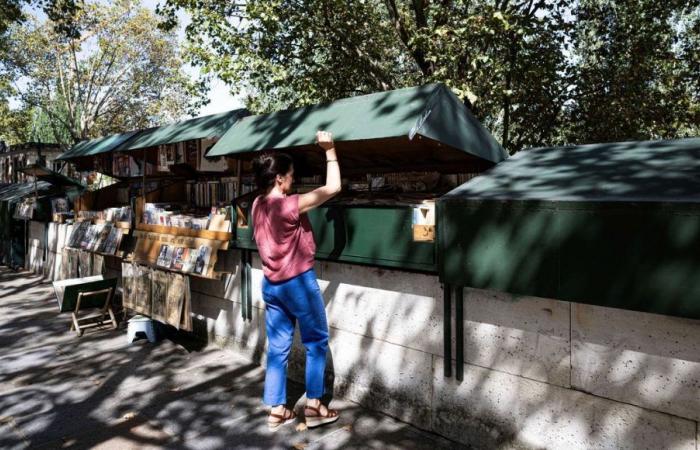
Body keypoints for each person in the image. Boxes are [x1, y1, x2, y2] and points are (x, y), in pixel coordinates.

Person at [251, 130, 342, 430]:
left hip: (272, 285)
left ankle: (277, 409)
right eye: (290, 176)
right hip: (299, 284)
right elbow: (334, 187)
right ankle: (314, 406)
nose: (293, 181)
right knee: (316, 342)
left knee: (278, 348)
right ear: (279, 178)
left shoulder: (256, 205)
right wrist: (329, 150)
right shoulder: (289, 205)